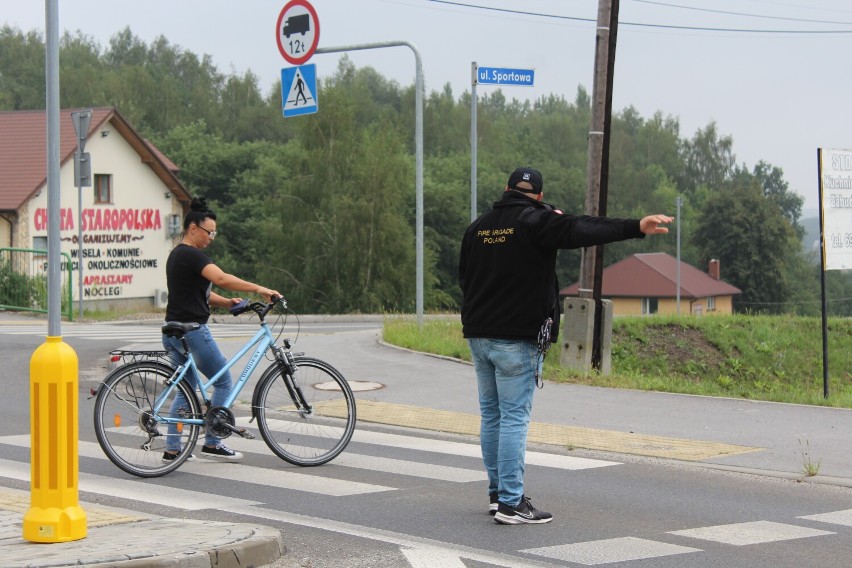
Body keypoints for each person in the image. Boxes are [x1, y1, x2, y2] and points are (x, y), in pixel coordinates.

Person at [458, 167, 672, 525]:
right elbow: (581, 228)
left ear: (506, 188)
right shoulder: (536, 221)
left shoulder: (478, 227)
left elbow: (464, 277)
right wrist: (635, 226)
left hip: (478, 336)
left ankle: (497, 496)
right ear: (539, 196)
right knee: (513, 418)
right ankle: (512, 503)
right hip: (516, 339)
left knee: (492, 415)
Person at [161, 197, 281, 462]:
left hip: (173, 332)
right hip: (192, 331)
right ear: (193, 228)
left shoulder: (177, 255)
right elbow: (222, 278)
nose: (212, 237)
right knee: (224, 381)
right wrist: (259, 288)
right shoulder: (192, 254)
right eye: (209, 232)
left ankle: (173, 449)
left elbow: (198, 294)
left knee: (188, 389)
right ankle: (213, 442)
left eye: (214, 233)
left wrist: (226, 302)